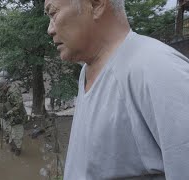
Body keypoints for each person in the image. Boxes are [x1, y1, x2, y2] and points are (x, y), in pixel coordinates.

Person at [45, 0, 189, 179]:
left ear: (96, 5)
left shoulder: (158, 69)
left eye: (53, 13)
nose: (50, 29)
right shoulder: (86, 71)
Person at [0, 77, 26, 156]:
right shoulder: (7, 91)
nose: (1, 91)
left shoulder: (13, 92)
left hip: (17, 115)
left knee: (17, 134)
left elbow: (18, 105)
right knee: (11, 132)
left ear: (5, 85)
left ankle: (18, 150)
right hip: (12, 115)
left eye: (2, 89)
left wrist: (9, 113)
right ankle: (14, 147)